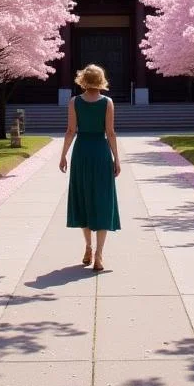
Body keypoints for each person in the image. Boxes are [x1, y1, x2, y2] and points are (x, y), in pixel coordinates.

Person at [59, 63, 121, 270]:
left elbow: (70, 130)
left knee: (84, 197)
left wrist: (63, 155)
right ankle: (99, 256)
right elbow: (110, 133)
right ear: (101, 80)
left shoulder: (74, 102)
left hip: (82, 152)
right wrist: (117, 159)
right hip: (101, 152)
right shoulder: (107, 102)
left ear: (83, 80)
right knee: (103, 200)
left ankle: (87, 247)